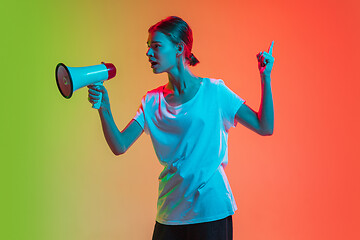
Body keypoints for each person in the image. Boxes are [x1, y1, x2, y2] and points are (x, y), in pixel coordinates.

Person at [87, 16, 274, 240]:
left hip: (211, 211)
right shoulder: (151, 102)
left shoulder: (215, 92)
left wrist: (265, 78)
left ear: (179, 48)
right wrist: (104, 108)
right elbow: (120, 145)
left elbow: (264, 126)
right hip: (170, 214)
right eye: (148, 47)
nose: (148, 53)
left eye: (156, 46)